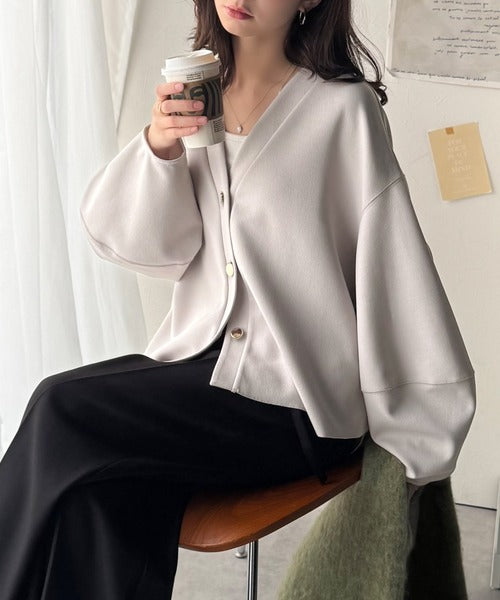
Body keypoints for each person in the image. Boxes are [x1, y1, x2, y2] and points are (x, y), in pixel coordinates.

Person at [0, 0, 476, 598]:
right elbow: (147, 246)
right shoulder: (198, 98)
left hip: (294, 405)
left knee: (59, 406)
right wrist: (160, 147)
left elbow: (394, 266)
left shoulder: (343, 110)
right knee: (102, 495)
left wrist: (422, 421)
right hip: (199, 371)